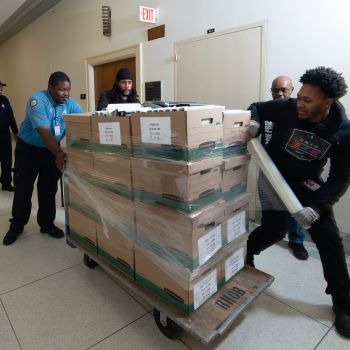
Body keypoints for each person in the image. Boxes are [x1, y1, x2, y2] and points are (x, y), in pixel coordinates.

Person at [247, 66, 350, 338]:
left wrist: (317, 209)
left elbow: (341, 177)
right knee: (274, 230)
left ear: (327, 102)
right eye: (300, 96)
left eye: (307, 100)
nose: (299, 104)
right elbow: (256, 106)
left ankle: (343, 301)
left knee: (329, 238)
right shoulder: (288, 107)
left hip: (306, 182)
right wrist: (254, 122)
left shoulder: (344, 131)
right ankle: (245, 255)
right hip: (272, 177)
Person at [2, 71, 82, 246]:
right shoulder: (37, 101)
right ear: (50, 88)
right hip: (28, 150)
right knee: (23, 188)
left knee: (48, 188)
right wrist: (60, 154)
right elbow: (44, 132)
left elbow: (81, 123)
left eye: (68, 90)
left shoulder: (70, 105)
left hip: (50, 152)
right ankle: (17, 226)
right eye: (61, 90)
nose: (66, 94)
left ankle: (46, 224)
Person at [266, 76, 308, 260]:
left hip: (294, 169)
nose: (280, 93)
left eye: (284, 90)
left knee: (296, 205)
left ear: (292, 90)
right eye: (276, 90)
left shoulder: (300, 112)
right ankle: (271, 233)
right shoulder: (267, 110)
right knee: (271, 203)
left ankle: (296, 241)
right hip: (270, 165)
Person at [0, 81, 18, 191]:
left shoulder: (4, 100)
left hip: (4, 136)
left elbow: (11, 117)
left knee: (6, 161)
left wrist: (15, 131)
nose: (1, 88)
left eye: (1, 87)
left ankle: (6, 183)